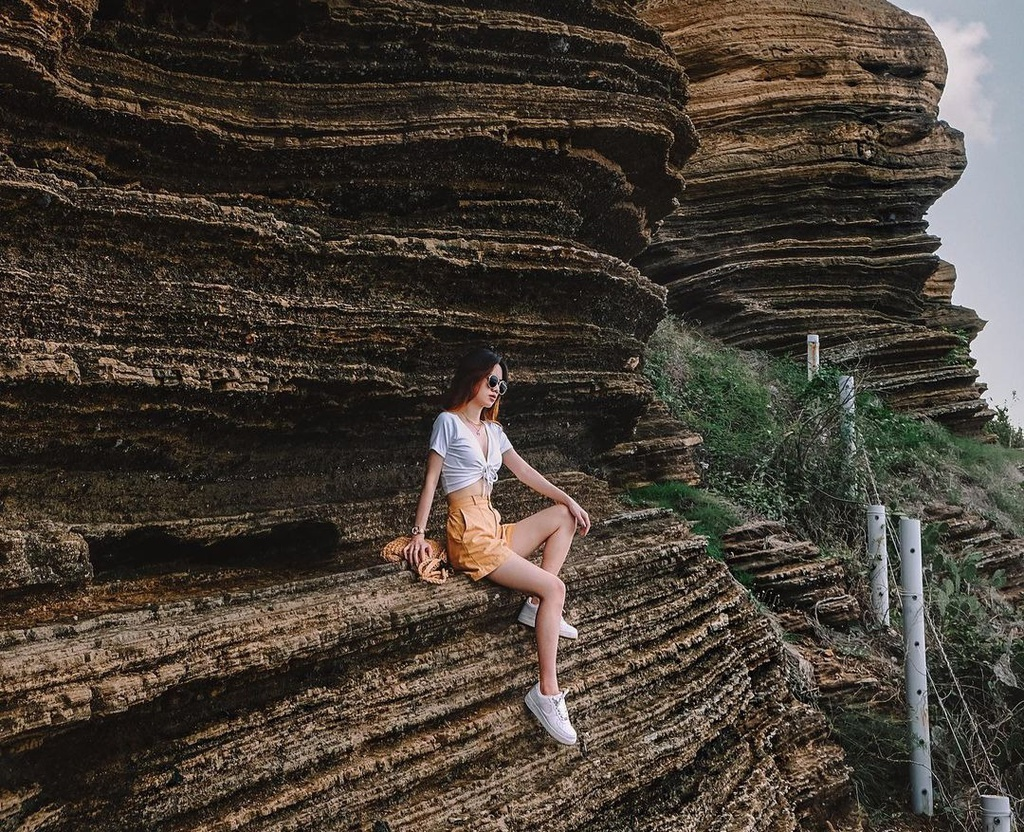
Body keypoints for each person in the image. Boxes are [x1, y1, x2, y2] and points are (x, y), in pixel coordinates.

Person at [403, 347, 591, 745]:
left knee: (563, 517)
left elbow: (525, 472)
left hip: (493, 527)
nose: (496, 389)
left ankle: (536, 608)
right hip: (468, 535)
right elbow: (432, 481)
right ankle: (547, 693)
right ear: (472, 378)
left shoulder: (494, 431)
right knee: (554, 586)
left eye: (501, 383)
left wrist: (569, 499)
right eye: (491, 380)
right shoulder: (448, 423)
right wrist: (418, 533)